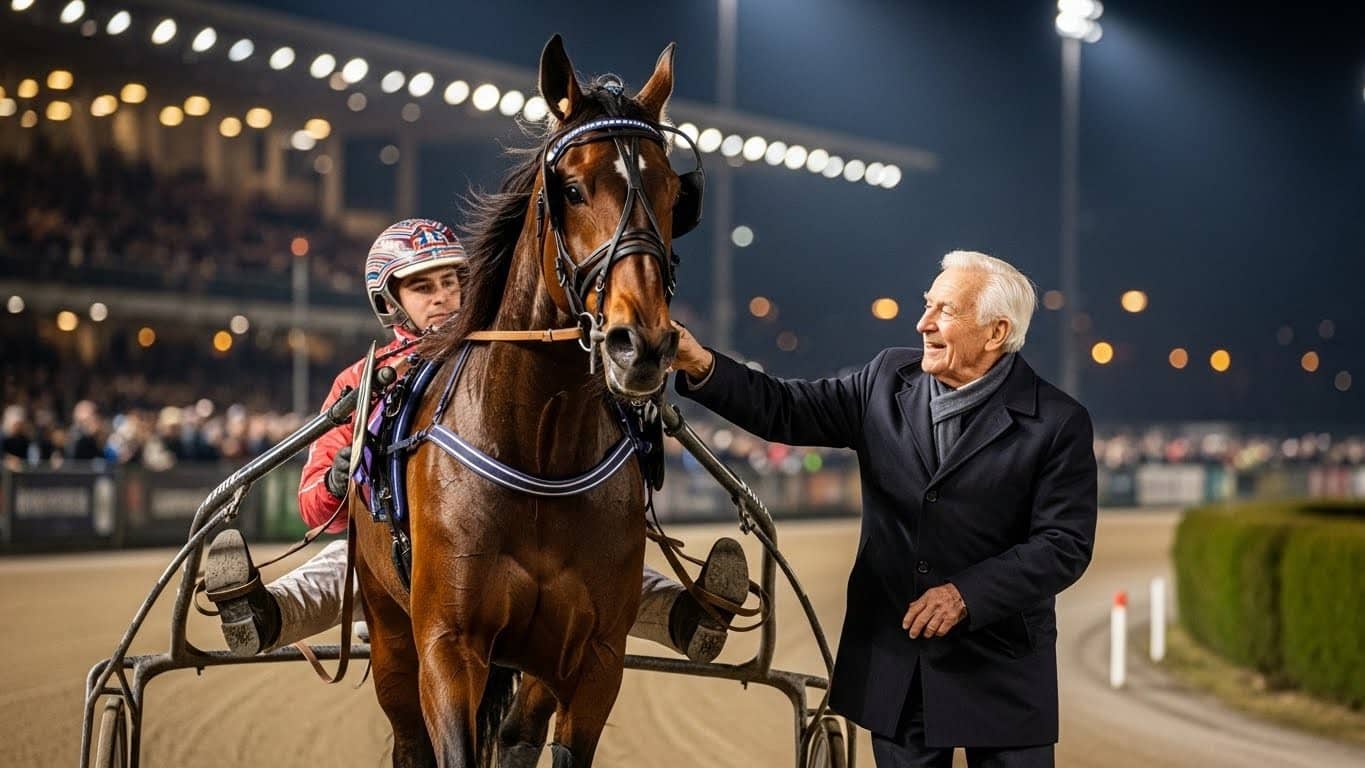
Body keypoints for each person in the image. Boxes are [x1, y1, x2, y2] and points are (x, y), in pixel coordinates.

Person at [204, 218, 746, 665]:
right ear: (389, 300)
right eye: (423, 286)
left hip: (526, 542)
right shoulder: (360, 381)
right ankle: (265, 615)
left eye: (451, 282)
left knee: (597, 561)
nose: (443, 297)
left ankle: (685, 617)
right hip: (407, 549)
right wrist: (337, 481)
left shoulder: (503, 365)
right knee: (351, 561)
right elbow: (310, 507)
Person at [671, 250, 1097, 767]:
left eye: (946, 311)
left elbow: (1063, 545)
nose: (924, 323)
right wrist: (701, 363)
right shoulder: (885, 379)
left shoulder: (1057, 421)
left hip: (1000, 668)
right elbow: (786, 408)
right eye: (927, 305)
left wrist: (966, 594)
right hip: (899, 663)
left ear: (995, 332)